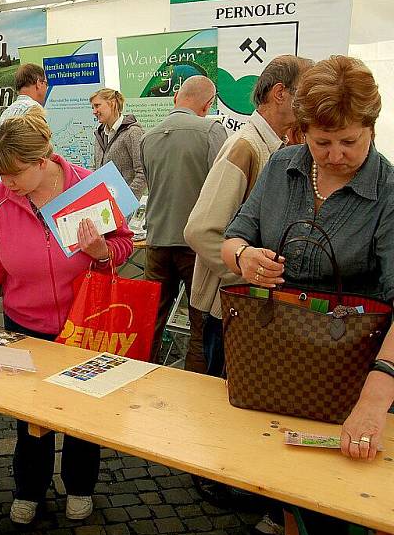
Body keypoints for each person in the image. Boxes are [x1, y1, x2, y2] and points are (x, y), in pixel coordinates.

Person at [221, 55, 394, 535]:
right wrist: (246, 258)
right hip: (277, 362)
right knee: (289, 488)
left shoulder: (390, 193)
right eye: (322, 142)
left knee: (348, 502)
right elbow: (232, 238)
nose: (335, 154)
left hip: (352, 375)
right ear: (301, 130)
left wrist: (374, 401)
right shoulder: (281, 165)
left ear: (372, 129)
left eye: (349, 142)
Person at [0, 108, 133, 524]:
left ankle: (79, 485)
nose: (5, 185)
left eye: (14, 176)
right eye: (1, 177)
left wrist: (101, 252)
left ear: (43, 162)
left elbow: (123, 245)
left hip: (84, 324)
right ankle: (30, 487)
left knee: (81, 412)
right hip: (23, 327)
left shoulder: (89, 187)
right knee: (29, 415)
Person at [184, 55, 313, 378]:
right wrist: (246, 270)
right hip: (232, 309)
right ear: (280, 93)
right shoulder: (245, 147)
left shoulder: (277, 146)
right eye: (307, 91)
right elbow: (200, 230)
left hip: (251, 307)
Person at [139, 76, 226, 368]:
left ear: (176, 96)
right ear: (207, 105)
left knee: (150, 320)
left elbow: (153, 187)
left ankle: (140, 378)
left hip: (156, 243)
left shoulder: (148, 137)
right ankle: (195, 391)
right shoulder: (211, 131)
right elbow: (221, 189)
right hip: (195, 247)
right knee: (200, 325)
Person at [90, 88, 145, 199]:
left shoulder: (132, 132)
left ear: (112, 104)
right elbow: (96, 169)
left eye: (97, 106)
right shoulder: (100, 135)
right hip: (105, 206)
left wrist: (125, 201)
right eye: (93, 107)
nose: (94, 112)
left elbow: (143, 173)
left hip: (126, 207)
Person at [0, 63, 48, 134]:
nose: (46, 89)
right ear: (38, 83)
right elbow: (41, 143)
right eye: (46, 84)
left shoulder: (5, 114)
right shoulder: (34, 110)